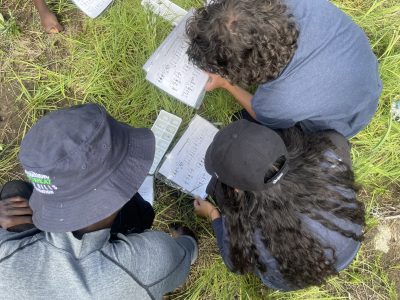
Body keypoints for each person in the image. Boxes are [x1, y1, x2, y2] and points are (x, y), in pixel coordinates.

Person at [0, 103, 197, 299]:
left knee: (14, 191)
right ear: (118, 184)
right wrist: (185, 239)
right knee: (139, 213)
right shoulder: (148, 262)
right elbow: (185, 252)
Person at [193, 119, 365, 290]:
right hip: (348, 246)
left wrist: (213, 214)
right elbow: (338, 143)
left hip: (292, 278)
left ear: (237, 189)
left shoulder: (244, 230)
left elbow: (233, 262)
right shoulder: (328, 157)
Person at [186, 0, 382, 138]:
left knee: (257, 129)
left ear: (242, 71)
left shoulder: (277, 102)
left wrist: (226, 84)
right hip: (363, 67)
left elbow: (260, 113)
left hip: (346, 120)